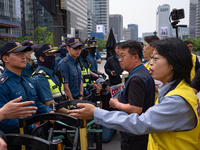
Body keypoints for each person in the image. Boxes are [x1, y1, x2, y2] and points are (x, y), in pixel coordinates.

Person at [69, 38, 199, 150]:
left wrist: (96, 112)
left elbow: (139, 122)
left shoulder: (176, 101)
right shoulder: (171, 90)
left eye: (156, 58)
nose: (151, 63)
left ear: (173, 64)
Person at [109, 40, 155, 150]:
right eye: (118, 56)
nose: (119, 60)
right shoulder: (143, 72)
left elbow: (135, 109)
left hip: (134, 135)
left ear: (135, 57)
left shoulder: (136, 79)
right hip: (142, 131)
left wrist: (116, 104)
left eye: (123, 56)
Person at [0, 41, 53, 134]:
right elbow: (3, 119)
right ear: (5, 58)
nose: (23, 56)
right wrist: (32, 126)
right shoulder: (3, 85)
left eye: (24, 53)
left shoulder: (27, 80)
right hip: (16, 139)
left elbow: (35, 102)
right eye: (18, 54)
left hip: (35, 133)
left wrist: (48, 111)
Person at [31, 44, 69, 114]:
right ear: (41, 58)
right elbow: (49, 104)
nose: (53, 57)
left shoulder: (53, 73)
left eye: (53, 54)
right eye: (50, 55)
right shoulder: (40, 78)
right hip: (54, 119)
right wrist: (71, 113)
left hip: (64, 115)